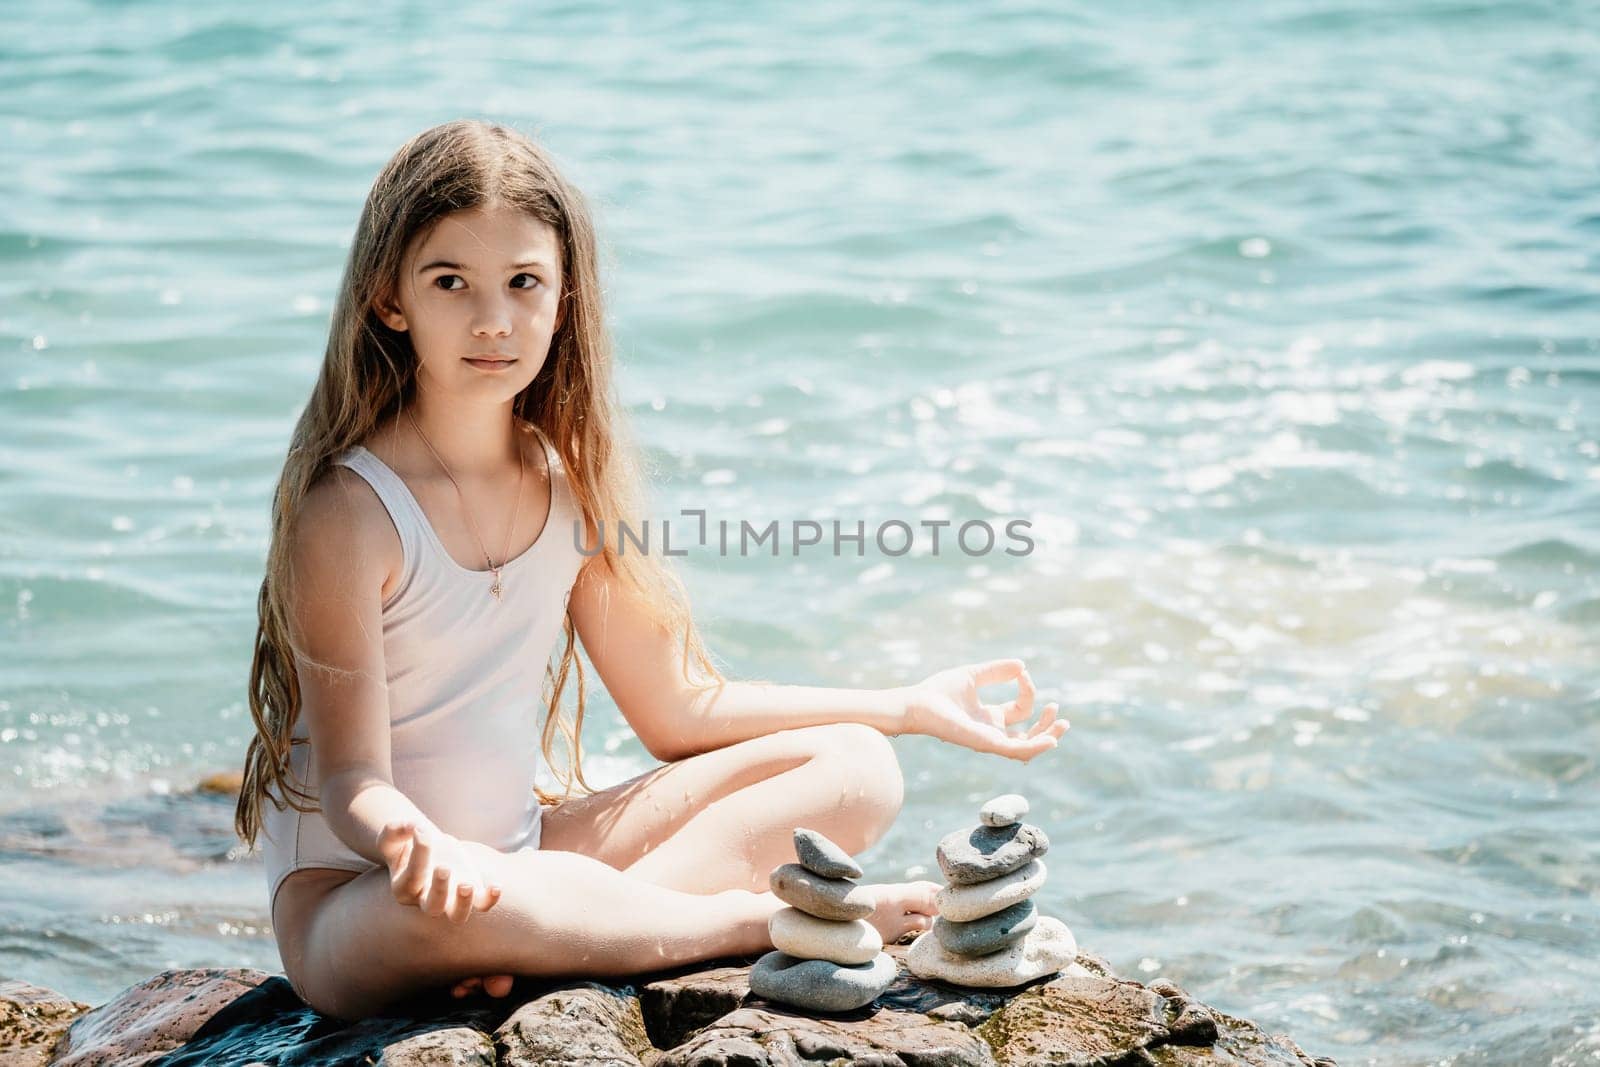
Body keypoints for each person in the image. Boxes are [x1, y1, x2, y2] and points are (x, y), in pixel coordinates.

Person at [232, 118, 1069, 1022]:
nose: (493, 318)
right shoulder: (349, 509)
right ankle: (741, 922)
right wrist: (414, 842)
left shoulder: (565, 482)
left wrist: (905, 706)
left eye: (524, 282)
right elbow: (355, 780)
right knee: (495, 898)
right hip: (366, 901)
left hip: (524, 862)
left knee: (858, 766)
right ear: (390, 300)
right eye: (451, 282)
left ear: (564, 298)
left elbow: (678, 711)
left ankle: (570, 940)